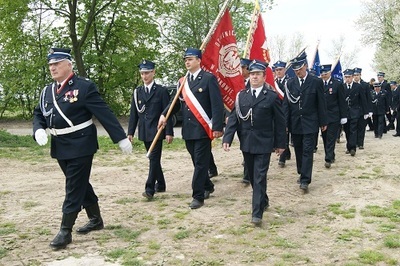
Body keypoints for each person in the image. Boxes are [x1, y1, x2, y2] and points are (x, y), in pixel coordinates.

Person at [32, 48, 132, 250]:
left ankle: (65, 230)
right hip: (60, 146)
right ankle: (96, 219)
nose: (53, 67)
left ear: (69, 64)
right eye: (50, 64)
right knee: (80, 183)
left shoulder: (84, 87)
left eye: (57, 63)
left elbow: (103, 112)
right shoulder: (46, 92)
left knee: (73, 186)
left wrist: (120, 138)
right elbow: (38, 113)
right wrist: (38, 129)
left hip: (81, 144)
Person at [159, 48, 224, 209]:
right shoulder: (183, 81)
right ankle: (208, 186)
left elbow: (217, 105)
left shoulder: (208, 79)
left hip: (202, 129)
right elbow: (174, 103)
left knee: (201, 164)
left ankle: (198, 195)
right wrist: (164, 114)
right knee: (197, 162)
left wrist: (217, 126)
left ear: (199, 60)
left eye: (190, 59)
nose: (187, 62)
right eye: (185, 59)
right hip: (188, 130)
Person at [222, 60, 286, 226]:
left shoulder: (271, 97)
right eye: (252, 74)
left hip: (264, 143)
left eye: (258, 74)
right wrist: (227, 138)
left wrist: (281, 144)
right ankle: (263, 199)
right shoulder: (241, 96)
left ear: (264, 76)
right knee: (252, 176)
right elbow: (234, 119)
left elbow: (280, 123)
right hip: (247, 143)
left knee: (259, 177)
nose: (254, 77)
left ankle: (256, 214)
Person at [127, 59, 174, 199]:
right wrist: (130, 132)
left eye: (147, 73)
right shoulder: (138, 92)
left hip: (157, 131)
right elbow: (134, 114)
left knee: (153, 159)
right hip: (144, 131)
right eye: (142, 73)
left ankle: (149, 189)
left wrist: (169, 132)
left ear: (153, 72)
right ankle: (161, 184)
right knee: (153, 159)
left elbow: (168, 113)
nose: (144, 76)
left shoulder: (161, 91)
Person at [283, 52, 327, 192]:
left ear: (306, 66)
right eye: (295, 70)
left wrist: (323, 121)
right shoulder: (290, 83)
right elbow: (286, 104)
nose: (298, 72)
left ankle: (305, 180)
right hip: (295, 123)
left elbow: (321, 103)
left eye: (300, 69)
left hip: (310, 123)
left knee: (308, 150)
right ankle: (302, 171)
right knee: (299, 150)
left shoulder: (316, 82)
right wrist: (285, 123)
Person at [320, 64, 347, 168]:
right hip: (323, 117)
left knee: (331, 137)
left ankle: (328, 158)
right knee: (325, 137)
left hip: (334, 115)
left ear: (329, 73)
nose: (324, 76)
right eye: (322, 74)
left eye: (325, 74)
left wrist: (343, 116)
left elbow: (342, 101)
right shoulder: (318, 84)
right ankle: (331, 154)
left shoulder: (337, 84)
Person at [343, 69, 368, 156]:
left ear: (352, 77)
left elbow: (363, 99)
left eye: (349, 77)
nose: (347, 79)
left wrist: (366, 112)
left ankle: (352, 148)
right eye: (346, 77)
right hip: (345, 113)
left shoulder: (358, 86)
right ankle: (348, 146)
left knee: (353, 130)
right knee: (346, 130)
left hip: (355, 111)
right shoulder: (342, 87)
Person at [273, 60, 291, 168]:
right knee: (280, 134)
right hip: (276, 112)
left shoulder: (289, 82)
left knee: (285, 133)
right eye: (277, 70)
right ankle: (286, 152)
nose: (278, 72)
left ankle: (282, 158)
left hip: (287, 112)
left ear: (285, 70)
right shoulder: (273, 82)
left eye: (280, 70)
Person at [353, 67, 373, 150]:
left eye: (357, 75)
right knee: (354, 127)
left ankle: (360, 143)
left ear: (360, 75)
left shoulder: (365, 85)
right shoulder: (352, 85)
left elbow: (369, 98)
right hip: (354, 110)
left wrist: (369, 110)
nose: (356, 77)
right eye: (354, 75)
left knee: (362, 127)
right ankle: (355, 143)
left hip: (362, 110)